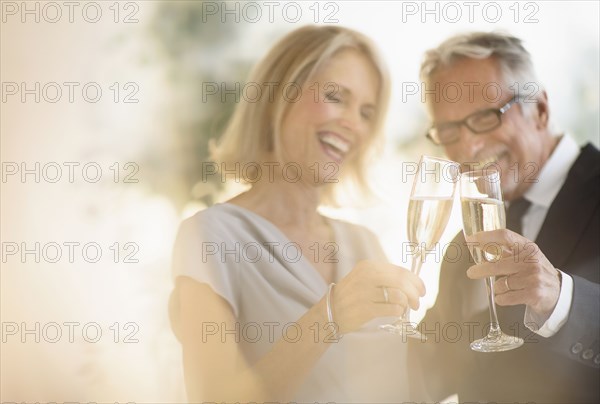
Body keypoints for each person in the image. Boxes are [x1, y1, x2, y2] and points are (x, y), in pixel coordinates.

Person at [168, 25, 425, 403]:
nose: (354, 124)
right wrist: (329, 317)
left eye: (367, 113)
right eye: (336, 97)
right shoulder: (211, 236)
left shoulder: (363, 243)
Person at [408, 31, 600, 403]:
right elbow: (429, 375)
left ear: (540, 110)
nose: (468, 146)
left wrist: (561, 299)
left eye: (484, 117)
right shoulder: (466, 241)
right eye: (449, 129)